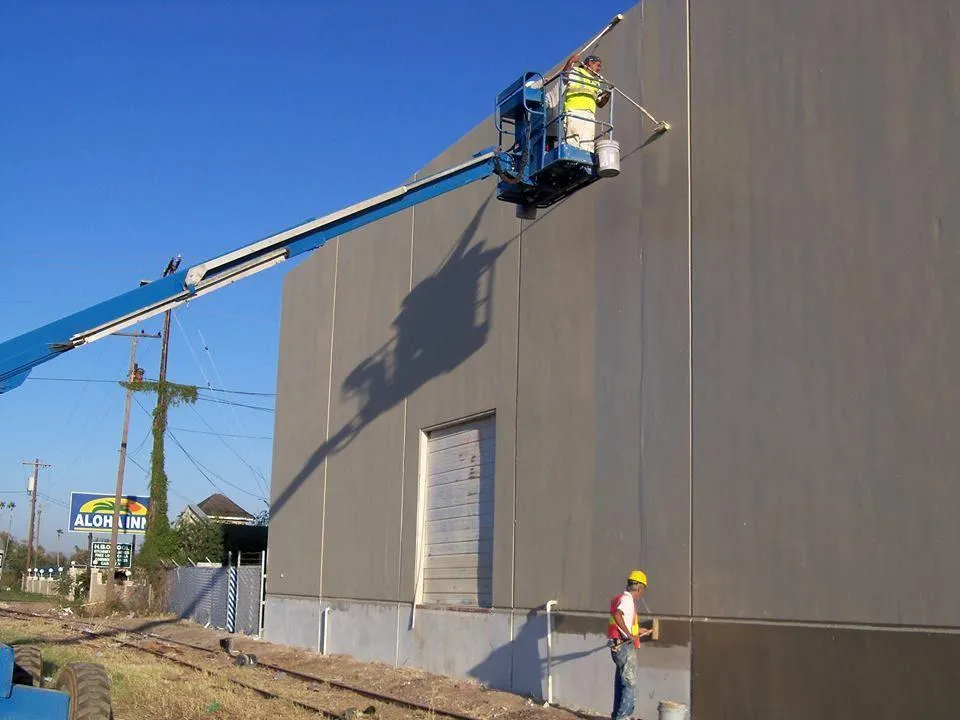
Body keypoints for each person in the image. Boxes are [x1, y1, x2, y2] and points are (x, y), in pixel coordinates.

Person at [607, 569, 653, 720]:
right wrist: (629, 635)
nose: (642, 594)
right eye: (643, 590)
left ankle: (616, 716)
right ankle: (623, 717)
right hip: (624, 647)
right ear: (639, 588)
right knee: (629, 683)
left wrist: (637, 630)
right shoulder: (627, 601)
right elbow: (617, 615)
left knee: (621, 682)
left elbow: (621, 620)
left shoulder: (620, 598)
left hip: (617, 645)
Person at [562, 52, 610, 152]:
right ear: (589, 63)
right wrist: (570, 61)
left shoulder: (596, 81)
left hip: (589, 116)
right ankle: (572, 162)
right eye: (598, 65)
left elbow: (600, 103)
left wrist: (607, 95)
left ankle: (585, 165)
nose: (599, 68)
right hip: (574, 111)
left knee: (587, 144)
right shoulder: (576, 71)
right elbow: (564, 77)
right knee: (573, 140)